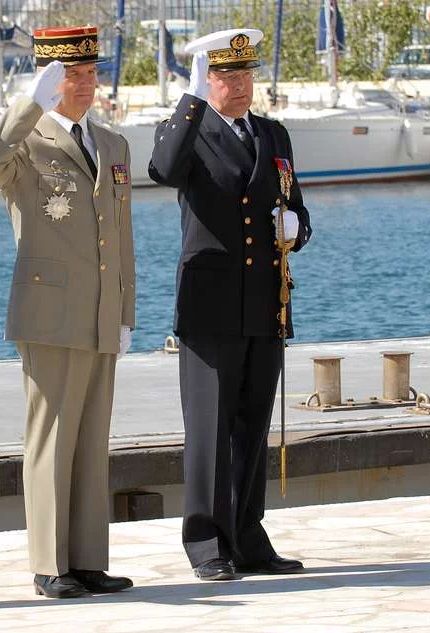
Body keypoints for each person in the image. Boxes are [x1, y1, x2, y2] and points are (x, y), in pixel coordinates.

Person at [0, 26, 135, 599]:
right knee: (52, 438)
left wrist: (126, 310)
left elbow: (122, 236)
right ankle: (48, 563)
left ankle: (86, 560)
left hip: (100, 311)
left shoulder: (111, 144)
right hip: (49, 311)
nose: (83, 85)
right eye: (70, 76)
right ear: (49, 80)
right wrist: (27, 105)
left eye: (90, 74)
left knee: (91, 440)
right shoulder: (26, 141)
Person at [148, 28, 312, 580]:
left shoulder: (273, 134)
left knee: (252, 424)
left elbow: (295, 206)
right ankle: (206, 543)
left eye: (246, 75)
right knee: (210, 430)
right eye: (226, 76)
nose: (240, 85)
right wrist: (190, 101)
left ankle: (247, 537)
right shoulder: (187, 130)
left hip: (265, 300)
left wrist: (297, 228)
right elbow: (162, 169)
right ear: (206, 79)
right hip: (210, 303)